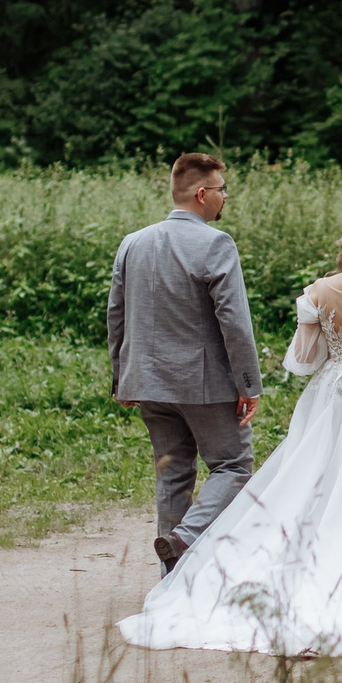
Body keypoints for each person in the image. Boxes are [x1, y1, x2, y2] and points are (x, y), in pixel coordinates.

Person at [117, 209, 342, 656]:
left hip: (329, 400)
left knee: (310, 484)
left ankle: (274, 569)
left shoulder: (317, 291)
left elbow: (304, 359)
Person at [108, 152, 265, 575]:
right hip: (204, 385)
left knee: (172, 473)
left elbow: (116, 314)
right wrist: (249, 383)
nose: (225, 197)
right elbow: (235, 320)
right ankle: (184, 537)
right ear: (201, 194)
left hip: (147, 382)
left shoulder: (132, 243)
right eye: (221, 189)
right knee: (233, 466)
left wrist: (122, 378)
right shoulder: (216, 243)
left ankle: (170, 583)